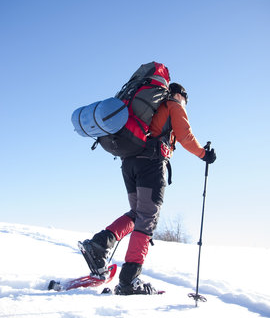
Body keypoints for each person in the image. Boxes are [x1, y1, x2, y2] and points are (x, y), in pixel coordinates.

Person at [80, 81, 216, 295]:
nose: (185, 103)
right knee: (147, 217)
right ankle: (129, 280)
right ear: (179, 94)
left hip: (129, 162)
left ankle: (99, 244)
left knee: (137, 214)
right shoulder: (173, 104)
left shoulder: (144, 105)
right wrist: (204, 155)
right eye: (185, 99)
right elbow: (185, 136)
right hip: (151, 163)